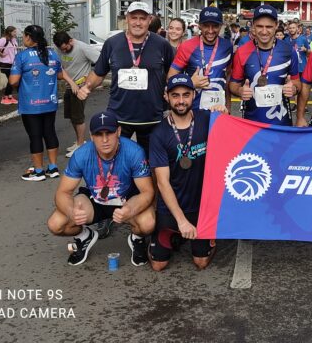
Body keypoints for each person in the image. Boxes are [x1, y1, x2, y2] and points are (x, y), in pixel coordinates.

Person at [47, 110, 156, 266]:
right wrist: (72, 212)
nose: (105, 140)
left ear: (118, 131)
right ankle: (84, 236)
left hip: (125, 200)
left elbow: (147, 191)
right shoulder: (81, 154)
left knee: (148, 223)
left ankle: (137, 239)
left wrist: (130, 209)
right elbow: (62, 192)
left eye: (109, 133)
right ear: (91, 136)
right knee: (56, 224)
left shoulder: (134, 151)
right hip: (95, 200)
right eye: (99, 134)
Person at [148, 74, 228, 271]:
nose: (181, 101)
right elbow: (162, 183)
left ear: (194, 95)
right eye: (175, 95)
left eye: (186, 95)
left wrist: (223, 113)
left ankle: (205, 238)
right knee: (159, 264)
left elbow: (232, 136)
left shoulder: (207, 119)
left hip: (202, 207)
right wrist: (181, 221)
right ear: (166, 97)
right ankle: (171, 232)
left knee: (200, 262)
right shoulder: (159, 134)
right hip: (171, 207)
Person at [78, 2, 174, 152]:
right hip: (119, 116)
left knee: (151, 164)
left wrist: (171, 91)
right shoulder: (112, 43)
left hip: (151, 116)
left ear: (149, 20)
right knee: (117, 161)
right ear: (127, 19)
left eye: (142, 18)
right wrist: (87, 86)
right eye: (134, 17)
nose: (137, 22)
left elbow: (172, 73)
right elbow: (99, 73)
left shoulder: (162, 45)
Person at [11, 25, 77, 181]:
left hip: (30, 104)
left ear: (28, 37)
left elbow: (13, 81)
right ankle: (53, 168)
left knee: (35, 136)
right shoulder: (52, 54)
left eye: (24, 36)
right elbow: (60, 74)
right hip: (49, 102)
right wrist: (72, 82)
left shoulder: (22, 56)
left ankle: (39, 171)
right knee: (49, 132)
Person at [230, 5, 300, 126]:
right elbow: (233, 85)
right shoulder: (242, 52)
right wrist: (240, 90)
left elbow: (297, 83)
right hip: (251, 124)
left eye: (269, 27)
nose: (264, 31)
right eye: (259, 26)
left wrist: (293, 89)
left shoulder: (289, 51)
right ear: (252, 26)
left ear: (276, 25)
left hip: (281, 123)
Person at [168, 7, 233, 112]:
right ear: (200, 26)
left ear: (221, 26)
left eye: (215, 26)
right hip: (193, 111)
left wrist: (228, 107)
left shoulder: (227, 46)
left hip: (219, 111)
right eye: (206, 26)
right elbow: (170, 78)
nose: (211, 31)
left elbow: (228, 78)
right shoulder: (187, 46)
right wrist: (190, 83)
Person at [53, 31, 99, 158]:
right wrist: (71, 83)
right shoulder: (59, 50)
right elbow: (60, 67)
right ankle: (79, 141)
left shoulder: (82, 47)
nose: (65, 50)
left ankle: (80, 145)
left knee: (78, 117)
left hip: (81, 88)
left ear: (70, 41)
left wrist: (89, 79)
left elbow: (101, 61)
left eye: (66, 47)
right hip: (70, 86)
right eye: (62, 49)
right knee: (72, 116)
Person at [0, 26, 18, 104]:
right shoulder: (3, 39)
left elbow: (14, 50)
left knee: (12, 80)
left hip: (12, 63)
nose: (15, 33)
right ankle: (5, 97)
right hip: (5, 64)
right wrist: (1, 54)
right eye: (14, 32)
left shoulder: (13, 40)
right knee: (11, 80)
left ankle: (9, 96)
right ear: (10, 32)